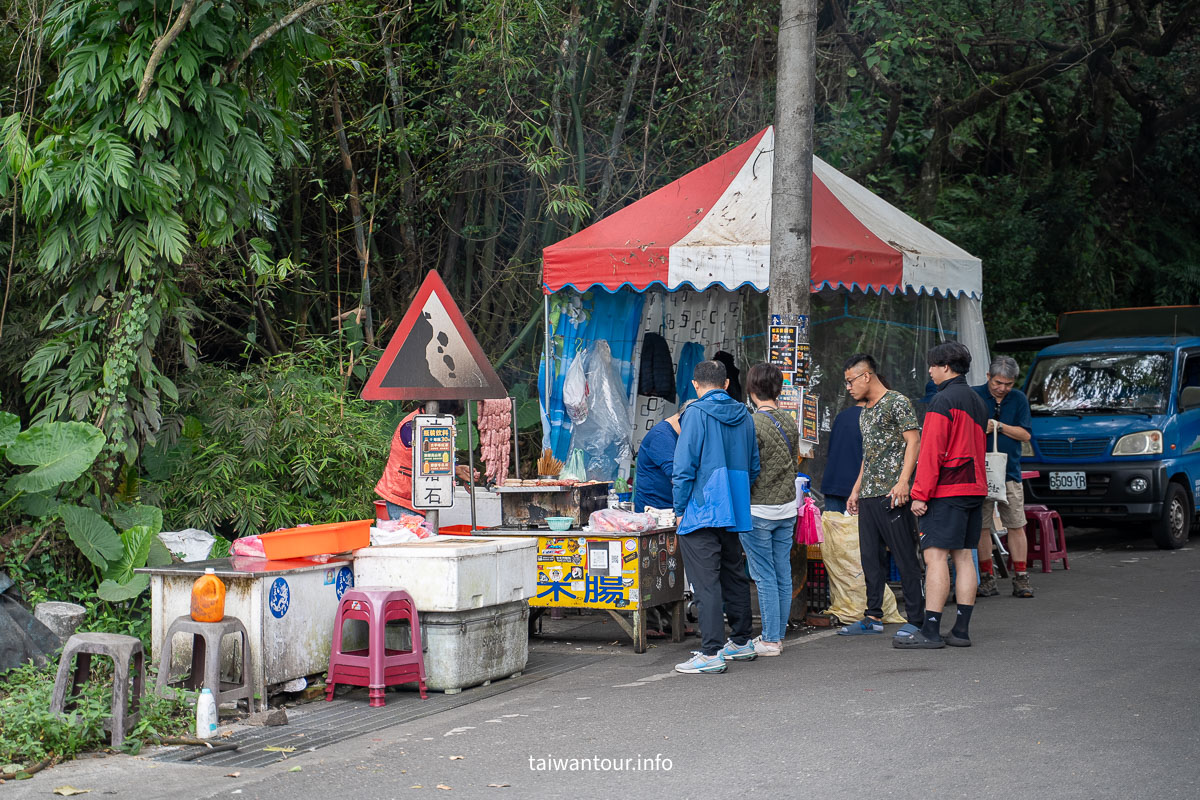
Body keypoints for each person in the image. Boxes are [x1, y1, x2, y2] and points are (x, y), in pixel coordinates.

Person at [672, 360, 760, 674]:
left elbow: (684, 469)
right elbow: (753, 467)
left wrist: (680, 510)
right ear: (725, 384)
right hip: (733, 506)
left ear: (696, 385)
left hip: (702, 507)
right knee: (734, 576)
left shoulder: (694, 413)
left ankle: (710, 652)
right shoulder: (745, 415)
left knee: (705, 582)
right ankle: (741, 641)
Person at [899, 342, 989, 649]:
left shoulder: (941, 401)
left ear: (946, 368)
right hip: (974, 487)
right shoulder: (978, 401)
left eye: (933, 366)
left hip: (947, 489)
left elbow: (932, 452)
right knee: (965, 557)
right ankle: (961, 630)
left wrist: (919, 494)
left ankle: (931, 630)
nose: (930, 371)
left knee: (935, 557)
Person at [838, 353, 925, 640]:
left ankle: (917, 619)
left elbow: (914, 441)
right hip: (868, 495)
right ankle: (873, 616)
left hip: (893, 494)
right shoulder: (865, 411)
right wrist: (855, 489)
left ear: (867, 376)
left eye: (851, 381)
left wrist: (904, 483)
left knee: (904, 558)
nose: (848, 387)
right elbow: (869, 454)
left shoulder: (897, 402)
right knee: (870, 559)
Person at [742, 363, 799, 657]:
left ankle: (771, 639)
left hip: (759, 509)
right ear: (778, 389)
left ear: (751, 391)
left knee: (764, 575)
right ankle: (777, 635)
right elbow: (794, 462)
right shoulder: (789, 421)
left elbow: (749, 469)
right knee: (781, 572)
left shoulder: (751, 423)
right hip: (788, 508)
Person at [973, 357, 1035, 598]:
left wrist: (998, 426)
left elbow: (1025, 434)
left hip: (1010, 471)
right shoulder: (974, 395)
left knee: (1016, 524)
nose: (1003, 388)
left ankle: (1021, 576)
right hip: (979, 471)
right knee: (982, 527)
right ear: (988, 377)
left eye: (1008, 384)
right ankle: (987, 577)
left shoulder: (1018, 399)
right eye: (998, 382)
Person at [375, 402, 475, 521]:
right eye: (451, 416)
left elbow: (437, 455)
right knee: (412, 537)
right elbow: (427, 458)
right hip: (402, 497)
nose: (452, 422)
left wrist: (457, 468)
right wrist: (455, 470)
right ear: (440, 413)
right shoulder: (412, 425)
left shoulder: (433, 424)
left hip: (417, 496)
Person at [633, 406, 688, 513]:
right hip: (656, 512)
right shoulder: (661, 436)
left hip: (669, 509)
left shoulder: (676, 436)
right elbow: (676, 476)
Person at [821, 399, 866, 513]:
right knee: (857, 529)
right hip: (858, 486)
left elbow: (830, 449)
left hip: (833, 482)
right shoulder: (871, 418)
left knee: (832, 529)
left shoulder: (841, 416)